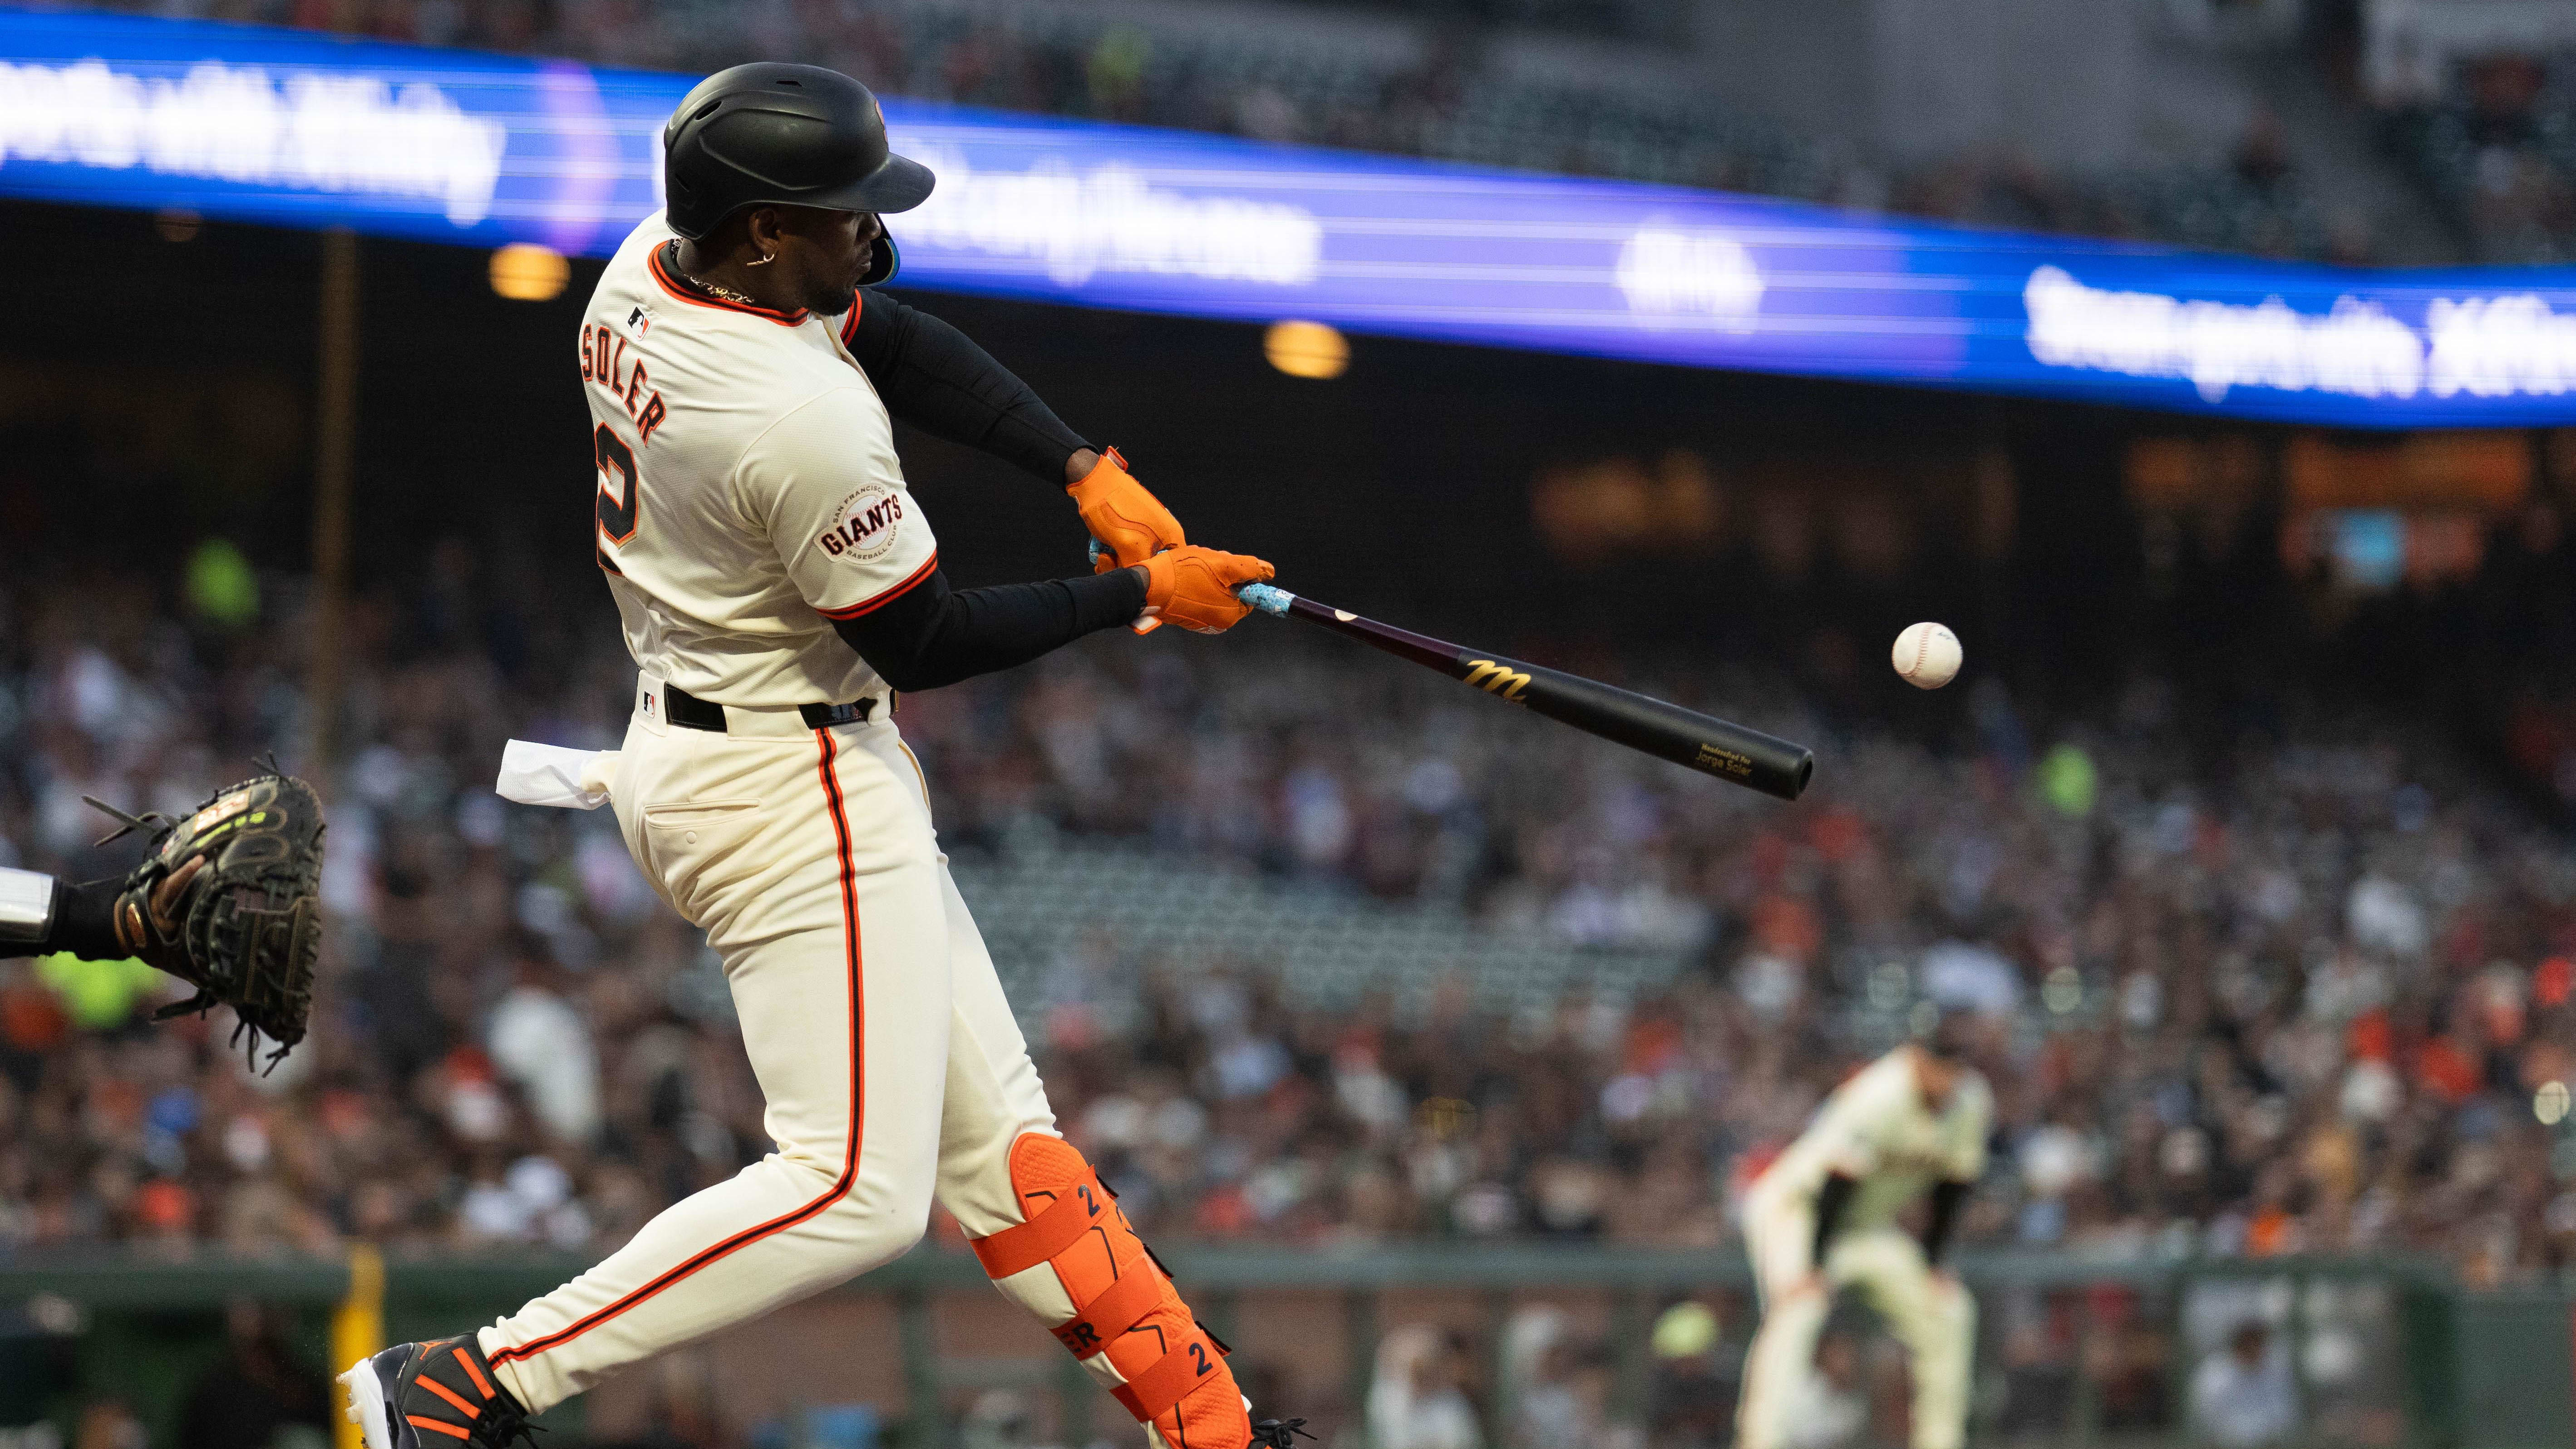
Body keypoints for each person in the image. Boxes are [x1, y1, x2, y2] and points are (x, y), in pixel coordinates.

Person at [340, 62, 1297, 1449]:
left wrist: (1075, 465)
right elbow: (922, 638)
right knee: (853, 1185)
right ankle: (478, 1375)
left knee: (1001, 1149)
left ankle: (1212, 1428)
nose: (872, 233)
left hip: (709, 736)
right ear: (761, 235)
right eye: (843, 214)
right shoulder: (795, 415)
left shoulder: (646, 268)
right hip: (789, 782)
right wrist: (1142, 598)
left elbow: (888, 335)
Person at [1736, 1021, 1991, 1449]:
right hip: (1798, 1212)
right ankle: (1760, 1440)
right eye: (1939, 1063)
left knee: (1949, 1310)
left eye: (1955, 1066)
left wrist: (1934, 1263)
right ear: (1915, 1057)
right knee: (1799, 1308)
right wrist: (1813, 1266)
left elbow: (1953, 1187)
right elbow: (1836, 1183)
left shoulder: (1971, 1100)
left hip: (1864, 1226)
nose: (1947, 1076)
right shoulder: (1879, 1094)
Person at [2189, 1321, 2298, 1449]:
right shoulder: (2213, 1373)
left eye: (2257, 1341)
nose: (2253, 1347)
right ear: (2238, 1342)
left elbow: (2286, 1418)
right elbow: (2207, 1421)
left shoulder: (2277, 1373)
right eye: (2248, 1341)